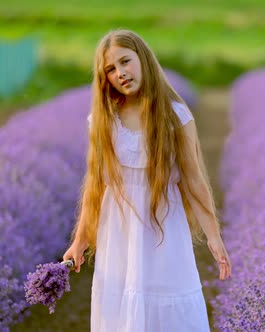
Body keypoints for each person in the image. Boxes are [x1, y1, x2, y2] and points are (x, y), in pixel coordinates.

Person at [62, 29, 231, 331]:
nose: (120, 74)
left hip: (163, 228)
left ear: (143, 59)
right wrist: (80, 242)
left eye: (125, 62)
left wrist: (214, 237)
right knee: (122, 308)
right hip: (119, 230)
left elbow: (193, 181)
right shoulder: (104, 121)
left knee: (166, 304)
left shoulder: (175, 117)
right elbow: (95, 187)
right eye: (110, 70)